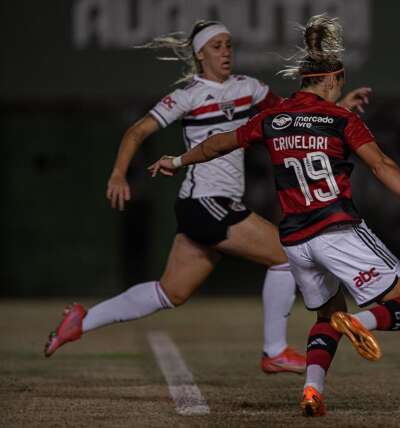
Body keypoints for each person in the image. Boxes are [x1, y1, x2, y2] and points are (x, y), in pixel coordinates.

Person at [148, 15, 400, 417]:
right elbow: (382, 165)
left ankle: (311, 390)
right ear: (333, 79)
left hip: (296, 242)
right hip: (338, 229)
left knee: (326, 313)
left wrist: (177, 158)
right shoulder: (341, 120)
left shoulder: (275, 118)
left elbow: (219, 143)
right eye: (339, 82)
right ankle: (362, 324)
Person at [43, 20, 372, 376]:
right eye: (216, 46)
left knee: (170, 292)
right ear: (200, 54)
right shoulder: (188, 95)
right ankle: (274, 350)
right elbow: (138, 130)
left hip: (205, 207)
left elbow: (294, 117)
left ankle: (82, 320)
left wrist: (340, 105)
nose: (226, 51)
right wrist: (118, 173)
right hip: (206, 201)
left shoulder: (249, 88)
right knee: (282, 256)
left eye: (229, 44)